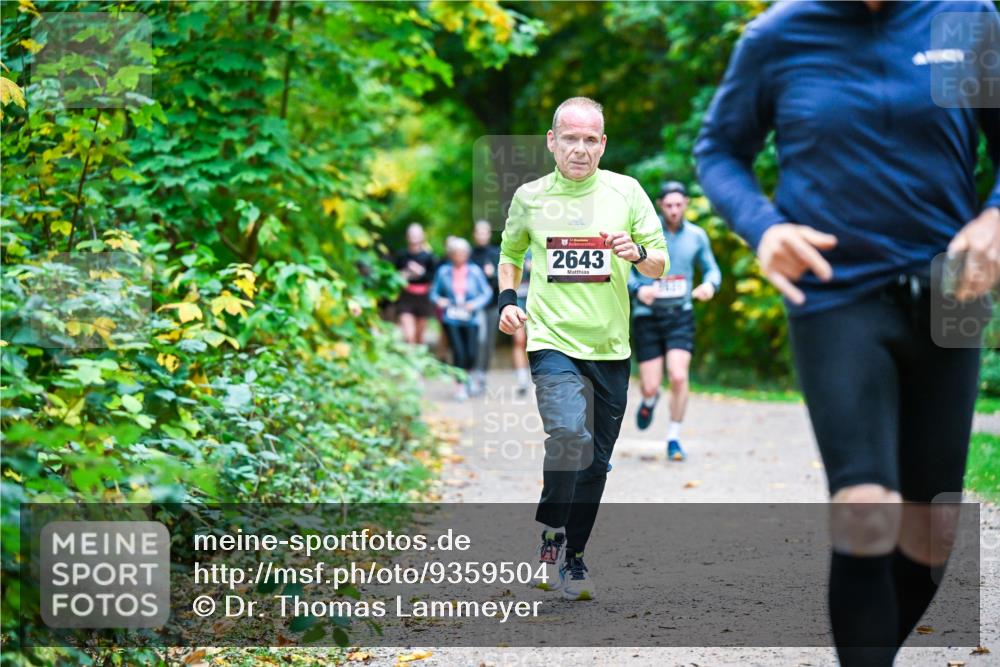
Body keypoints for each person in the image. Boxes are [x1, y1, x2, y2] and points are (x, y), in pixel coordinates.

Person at [695, 1, 1000, 664]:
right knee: (866, 509)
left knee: (932, 533)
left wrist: (996, 216)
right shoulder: (778, 35)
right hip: (834, 289)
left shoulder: (964, 19)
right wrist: (764, 226)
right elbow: (719, 150)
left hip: (950, 293)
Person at [497, 96, 669, 601]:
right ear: (552, 142)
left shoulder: (626, 191)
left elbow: (659, 262)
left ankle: (574, 557)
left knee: (595, 463)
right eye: (569, 138)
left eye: (590, 139)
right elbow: (510, 254)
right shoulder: (529, 197)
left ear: (602, 144)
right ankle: (551, 538)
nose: (580, 148)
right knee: (568, 437)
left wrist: (635, 253)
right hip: (551, 338)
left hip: (611, 346)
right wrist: (508, 300)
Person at [628, 181, 721, 462]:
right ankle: (648, 401)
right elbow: (624, 268)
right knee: (650, 386)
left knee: (679, 376)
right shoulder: (646, 232)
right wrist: (638, 289)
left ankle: (673, 437)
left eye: (679, 205)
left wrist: (710, 286)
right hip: (647, 316)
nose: (674, 210)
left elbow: (712, 270)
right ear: (660, 205)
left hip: (680, 313)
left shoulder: (696, 236)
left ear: (686, 205)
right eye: (668, 205)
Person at [431, 237, 493, 401]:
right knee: (458, 352)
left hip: (471, 318)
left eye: (462, 253)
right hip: (451, 318)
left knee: (471, 353)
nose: (459, 256)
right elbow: (433, 294)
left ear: (467, 254)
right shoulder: (443, 271)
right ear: (451, 255)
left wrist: (475, 304)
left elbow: (487, 292)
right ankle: (460, 387)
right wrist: (440, 301)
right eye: (456, 253)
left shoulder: (475, 271)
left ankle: (469, 378)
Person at [471, 220, 501, 396]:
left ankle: (482, 375)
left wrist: (493, 274)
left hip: (491, 306)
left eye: (485, 232)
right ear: (474, 234)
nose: (482, 235)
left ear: (489, 234)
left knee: (488, 342)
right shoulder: (469, 255)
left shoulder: (496, 253)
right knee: (475, 341)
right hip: (471, 307)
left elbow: (504, 278)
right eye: (479, 232)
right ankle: (470, 374)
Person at [394, 223, 437, 346]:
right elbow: (393, 275)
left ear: (422, 236)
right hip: (406, 297)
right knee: (409, 337)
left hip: (423, 297)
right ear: (407, 237)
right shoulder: (401, 255)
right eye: (411, 234)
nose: (414, 237)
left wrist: (421, 272)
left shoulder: (429, 257)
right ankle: (409, 359)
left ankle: (417, 362)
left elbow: (433, 277)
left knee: (419, 338)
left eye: (417, 234)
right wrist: (402, 275)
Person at [511, 250, 533, 396]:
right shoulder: (513, 245)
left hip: (535, 299)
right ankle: (522, 379)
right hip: (518, 299)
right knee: (520, 340)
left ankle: (537, 378)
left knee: (534, 341)